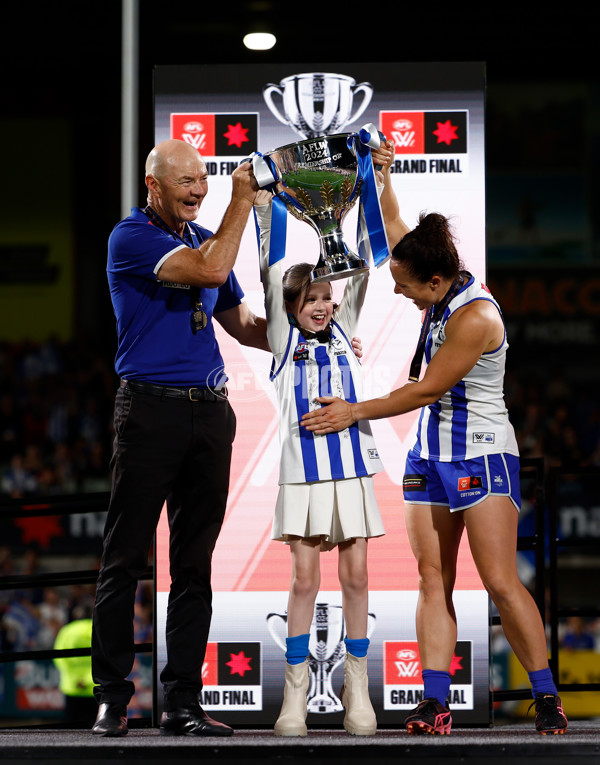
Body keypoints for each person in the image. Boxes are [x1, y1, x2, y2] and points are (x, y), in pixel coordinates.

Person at [300, 141, 568, 736]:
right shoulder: (431, 274)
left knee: (499, 579)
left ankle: (546, 695)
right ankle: (434, 701)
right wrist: (385, 178)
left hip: (481, 451)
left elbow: (423, 390)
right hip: (429, 453)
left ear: (439, 278)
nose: (399, 291)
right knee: (432, 579)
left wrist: (353, 411)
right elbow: (398, 235)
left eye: (405, 285)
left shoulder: (477, 317)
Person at [91, 138, 270, 738]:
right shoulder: (131, 238)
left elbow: (244, 326)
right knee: (125, 558)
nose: (200, 189)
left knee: (193, 565)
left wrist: (310, 334)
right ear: (154, 186)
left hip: (209, 415)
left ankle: (183, 704)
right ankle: (113, 697)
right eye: (187, 181)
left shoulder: (201, 240)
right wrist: (242, 200)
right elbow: (215, 270)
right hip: (148, 413)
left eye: (205, 179)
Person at [253, 194, 385, 737]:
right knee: (304, 581)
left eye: (328, 297)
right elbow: (270, 270)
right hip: (303, 475)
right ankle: (295, 696)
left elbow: (361, 267)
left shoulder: (343, 330)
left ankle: (358, 687)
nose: (324, 306)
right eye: (312, 298)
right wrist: (265, 208)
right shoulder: (282, 338)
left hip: (352, 468)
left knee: (356, 576)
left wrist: (362, 192)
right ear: (293, 305)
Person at [53, 604, 96, 727]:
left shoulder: (66, 631)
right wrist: (87, 680)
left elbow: (59, 657)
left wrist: (76, 679)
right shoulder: (99, 629)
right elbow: (106, 657)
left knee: (71, 728)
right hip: (94, 688)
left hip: (71, 687)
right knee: (93, 728)